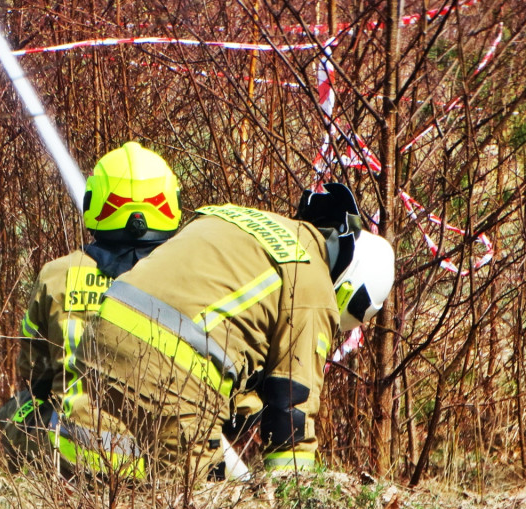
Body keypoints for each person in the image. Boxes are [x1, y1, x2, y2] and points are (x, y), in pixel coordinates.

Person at [56, 183, 395, 481]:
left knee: (151, 475)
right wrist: (295, 495)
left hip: (96, 348)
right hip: (165, 372)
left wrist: (244, 409)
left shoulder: (243, 220)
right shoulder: (313, 281)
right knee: (198, 504)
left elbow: (214, 317)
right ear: (349, 292)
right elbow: (292, 404)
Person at [0, 141, 182, 470]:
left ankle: (37, 485)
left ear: (94, 202)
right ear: (170, 203)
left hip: (81, 456)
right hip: (173, 458)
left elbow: (33, 374)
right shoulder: (194, 276)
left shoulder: (58, 275)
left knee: (18, 408)